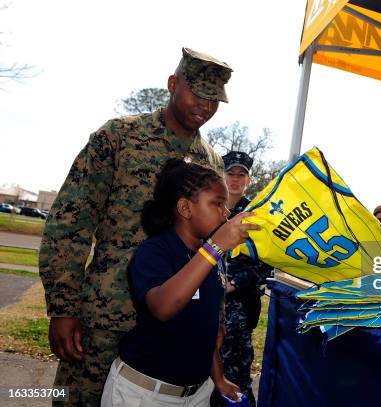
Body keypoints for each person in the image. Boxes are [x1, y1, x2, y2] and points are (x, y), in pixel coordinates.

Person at [39, 47, 232, 405]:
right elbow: (70, 221)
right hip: (108, 316)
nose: (205, 107)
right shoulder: (118, 137)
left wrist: (211, 318)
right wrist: (63, 306)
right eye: (198, 94)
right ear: (173, 84)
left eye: (214, 100)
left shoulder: (211, 162)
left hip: (172, 324)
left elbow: (210, 247)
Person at [101, 159, 258, 406]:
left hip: (196, 394)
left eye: (225, 205)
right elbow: (163, 307)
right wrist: (214, 247)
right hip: (143, 394)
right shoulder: (155, 252)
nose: (226, 213)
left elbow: (209, 332)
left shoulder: (211, 257)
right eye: (217, 204)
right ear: (185, 208)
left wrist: (219, 379)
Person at [210, 151, 273, 407]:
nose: (235, 179)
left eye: (241, 175)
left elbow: (265, 262)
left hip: (238, 307)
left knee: (236, 374)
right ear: (222, 176)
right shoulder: (209, 207)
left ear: (248, 179)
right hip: (206, 301)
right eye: (230, 173)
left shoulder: (257, 215)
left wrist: (234, 282)